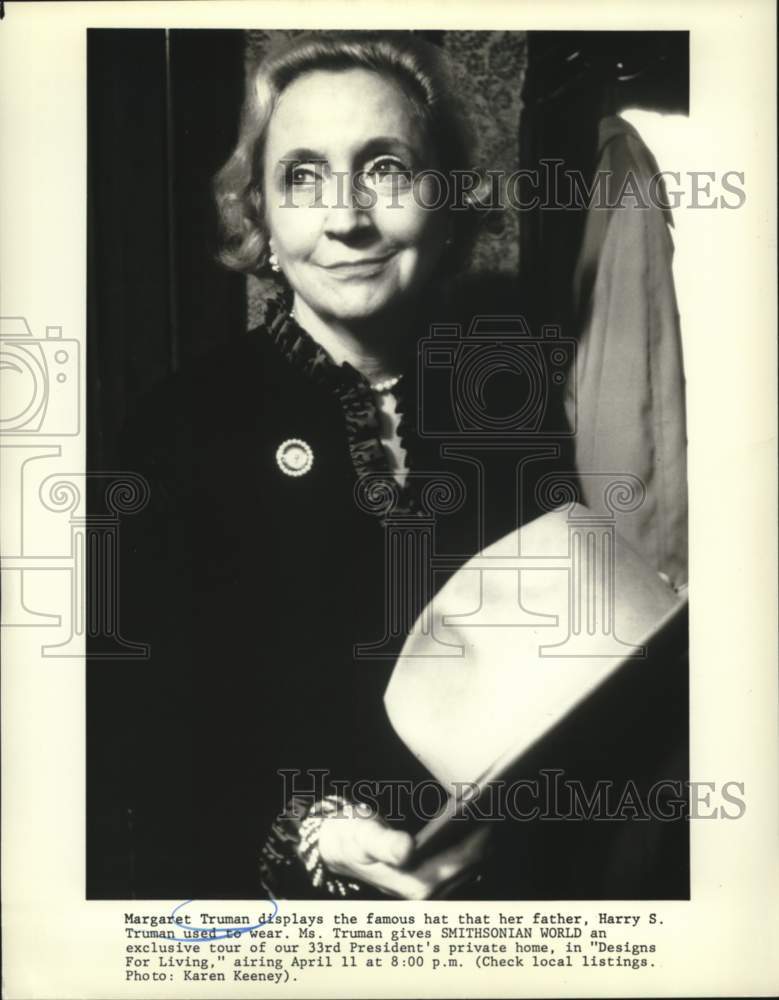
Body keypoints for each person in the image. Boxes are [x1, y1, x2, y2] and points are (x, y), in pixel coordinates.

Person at [112, 30, 686, 902]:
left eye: (384, 168)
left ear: (446, 204)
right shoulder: (178, 429)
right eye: (301, 176)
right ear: (259, 217)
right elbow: (135, 749)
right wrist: (310, 835)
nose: (346, 217)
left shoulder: (519, 399)